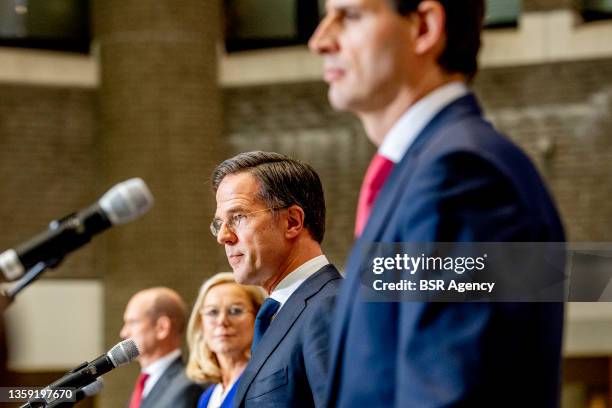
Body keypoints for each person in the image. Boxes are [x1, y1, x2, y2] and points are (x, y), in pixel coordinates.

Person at [309, 1, 565, 407]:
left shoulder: (463, 178)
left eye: (350, 16)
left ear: (424, 27)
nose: (319, 40)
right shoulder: (428, 172)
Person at [210, 151, 342, 407]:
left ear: (292, 221)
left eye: (237, 217)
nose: (223, 236)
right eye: (219, 223)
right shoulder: (277, 314)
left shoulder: (329, 307)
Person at [186, 272, 265, 408]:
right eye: (213, 312)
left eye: (235, 311)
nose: (222, 321)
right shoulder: (207, 397)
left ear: (258, 316)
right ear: (200, 323)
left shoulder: (266, 385)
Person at [120, 287, 203, 408]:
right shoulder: (145, 383)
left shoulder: (188, 385)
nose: (124, 333)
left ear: (162, 328)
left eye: (132, 322)